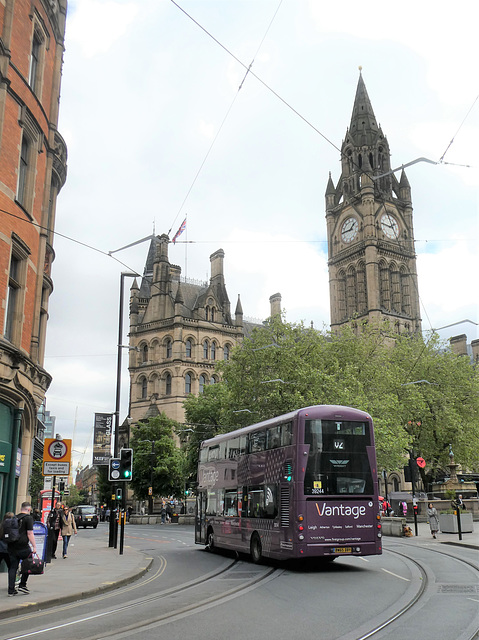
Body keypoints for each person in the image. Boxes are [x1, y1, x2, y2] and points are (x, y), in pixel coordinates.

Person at [7, 502, 38, 597]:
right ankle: (22, 584)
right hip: (23, 546)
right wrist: (34, 546)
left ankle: (11, 590)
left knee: (13, 567)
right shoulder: (28, 518)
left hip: (12, 546)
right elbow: (30, 533)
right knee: (28, 564)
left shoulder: (14, 517)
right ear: (28, 509)